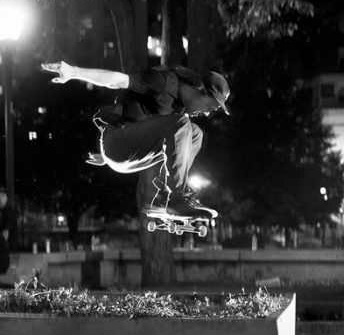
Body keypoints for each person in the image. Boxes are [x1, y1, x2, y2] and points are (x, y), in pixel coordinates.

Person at [41, 60, 230, 219]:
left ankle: (163, 199)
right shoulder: (162, 82)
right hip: (117, 142)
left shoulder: (182, 109)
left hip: (133, 151)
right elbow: (117, 81)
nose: (206, 113)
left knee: (195, 134)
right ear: (201, 90)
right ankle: (177, 198)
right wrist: (74, 72)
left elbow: (159, 137)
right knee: (183, 124)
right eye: (209, 107)